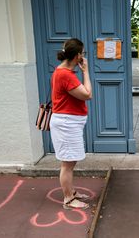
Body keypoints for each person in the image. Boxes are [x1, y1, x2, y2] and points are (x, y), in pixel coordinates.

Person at [50, 38, 92, 210]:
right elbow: (87, 94)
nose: (83, 56)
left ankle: (71, 192)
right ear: (77, 56)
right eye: (82, 53)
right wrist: (86, 72)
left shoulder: (61, 72)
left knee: (71, 160)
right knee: (67, 163)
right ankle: (68, 199)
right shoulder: (65, 75)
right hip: (66, 124)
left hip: (69, 123)